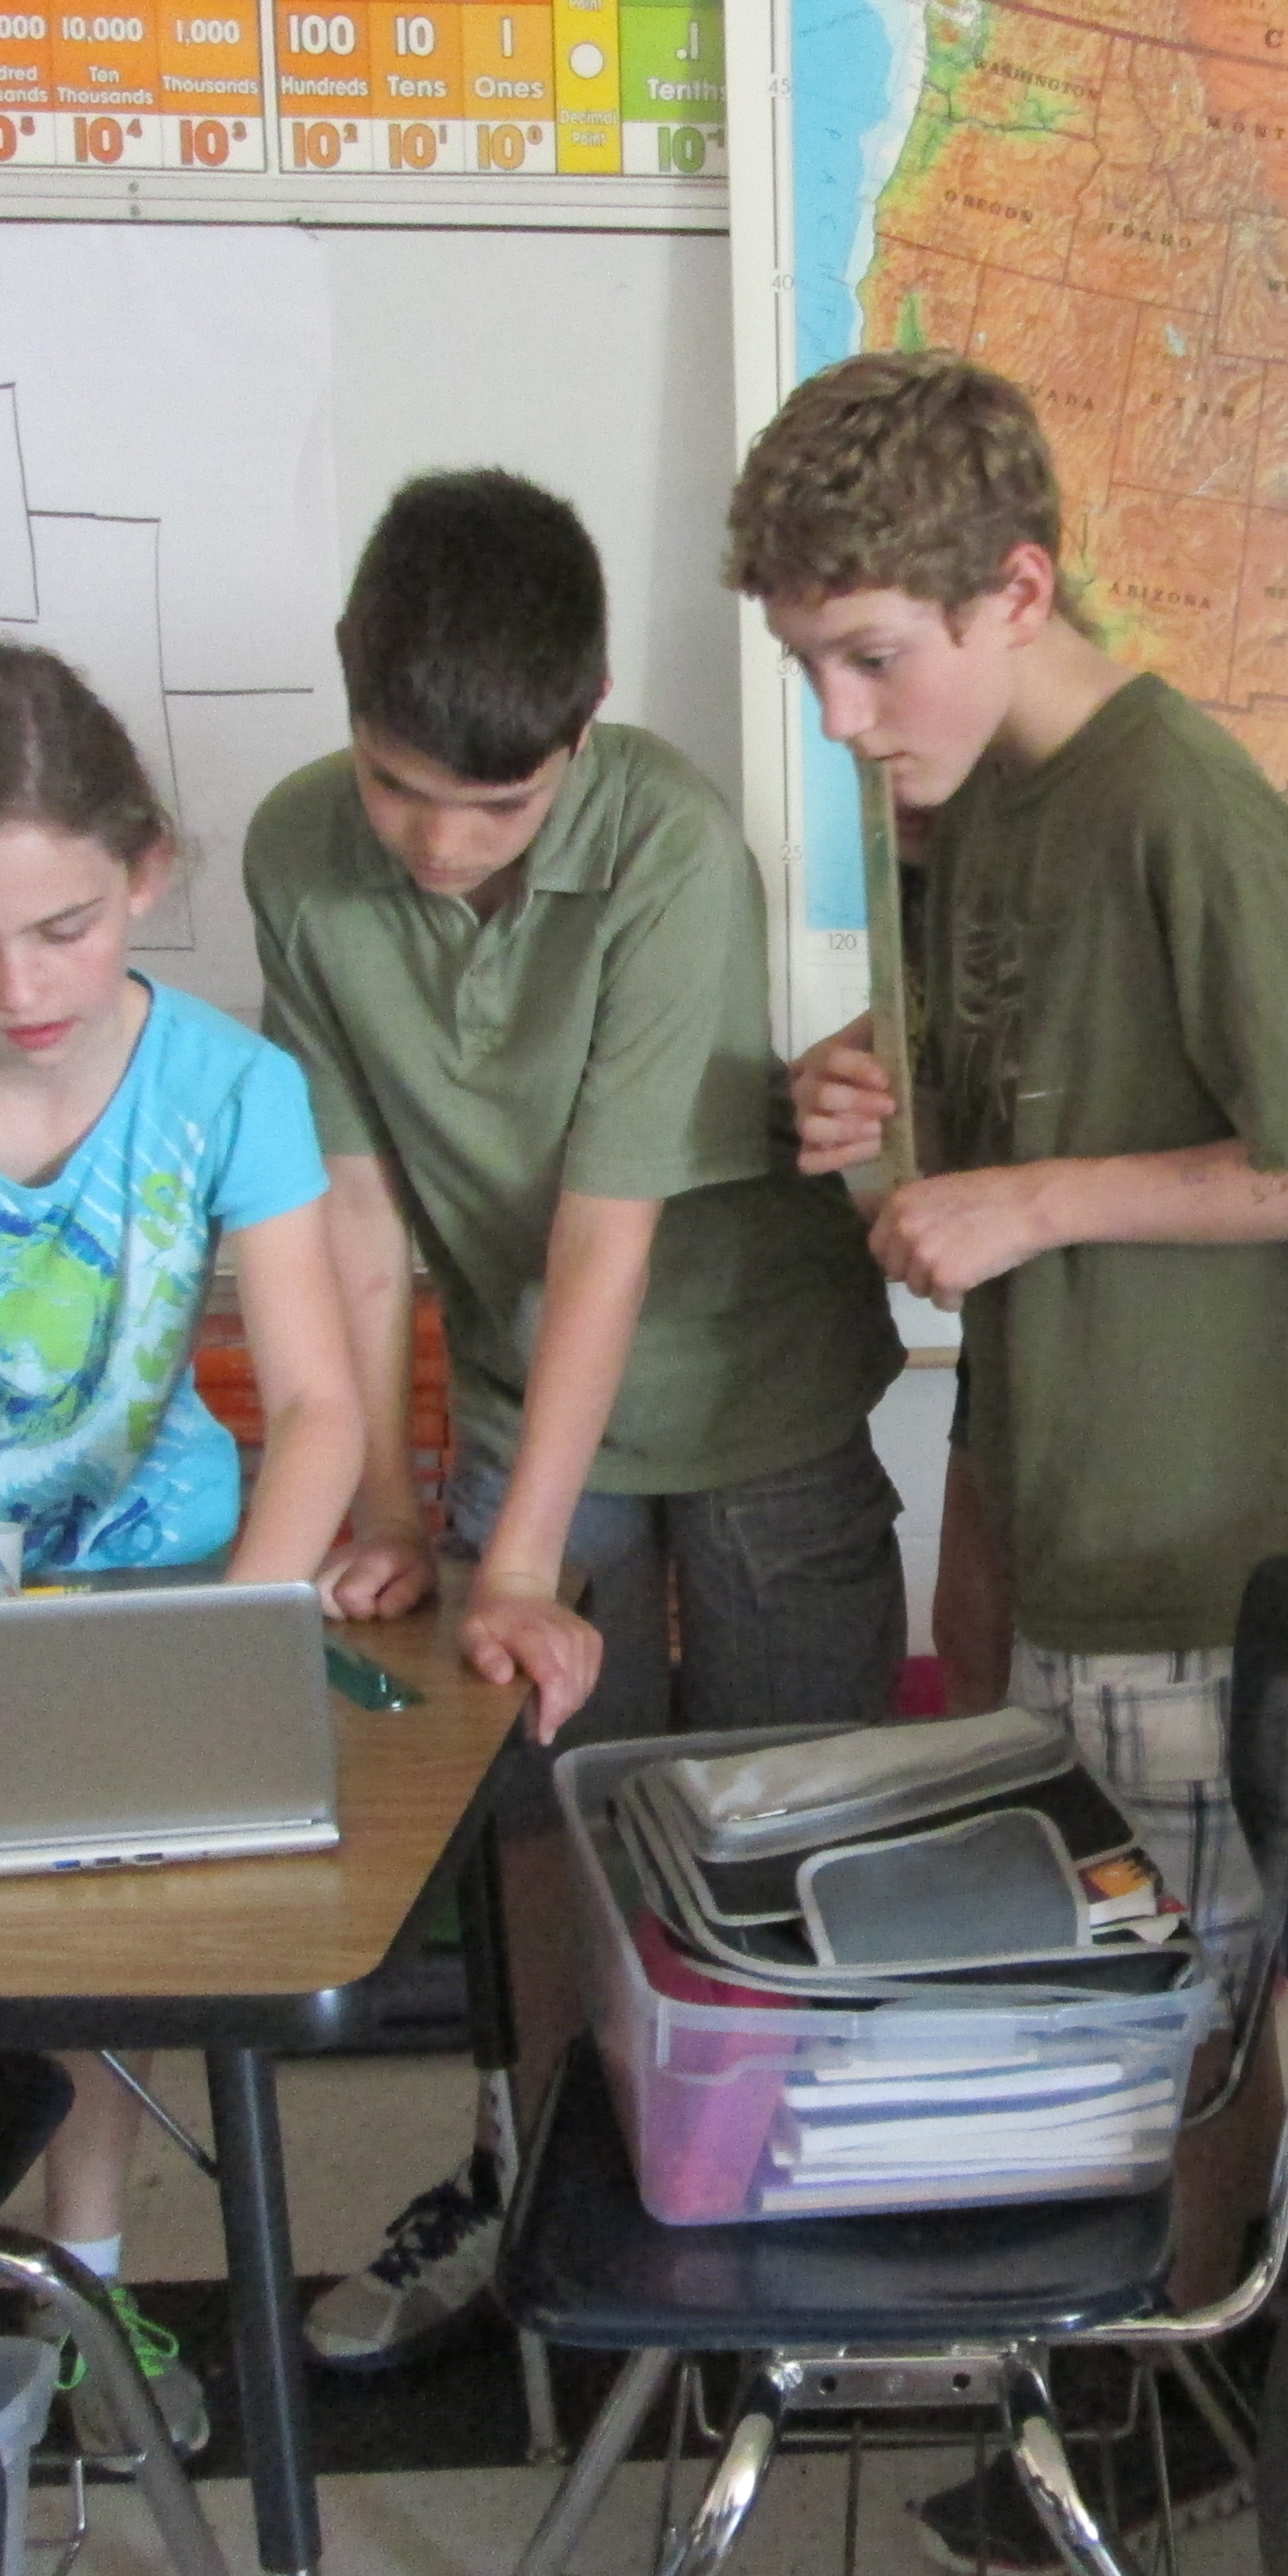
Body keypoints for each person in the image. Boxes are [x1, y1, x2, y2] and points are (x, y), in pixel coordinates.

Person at [736, 350, 1288, 2574]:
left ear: (1017, 591)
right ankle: (1221, 2301)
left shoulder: (1177, 801)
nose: (842, 713)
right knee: (1137, 1949)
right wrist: (868, 1085)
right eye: (810, 664)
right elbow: (1015, 1066)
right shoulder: (972, 795)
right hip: (1054, 1478)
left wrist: (1037, 1204)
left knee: (1180, 1988)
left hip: (1180, 1513)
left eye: (872, 657)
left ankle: (1178, 2391)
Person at [250, 469, 909, 2371]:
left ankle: (789, 2216)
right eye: (400, 788)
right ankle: (538, 2174)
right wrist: (399, 1511)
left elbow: (612, 1233)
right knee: (541, 1821)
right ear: (348, 691)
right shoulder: (295, 853)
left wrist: (519, 1557)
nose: (441, 844)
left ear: (586, 729)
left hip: (751, 1377)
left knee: (782, 1817)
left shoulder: (672, 842)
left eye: (502, 804)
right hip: (522, 1394)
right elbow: (354, 1205)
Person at [0, 642, 368, 2453]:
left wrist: (239, 1633)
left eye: (63, 929)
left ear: (147, 872)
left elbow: (318, 1406)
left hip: (155, 1574)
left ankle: (85, 2284)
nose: (17, 989)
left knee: (111, 1950)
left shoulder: (233, 1088)